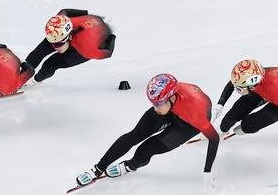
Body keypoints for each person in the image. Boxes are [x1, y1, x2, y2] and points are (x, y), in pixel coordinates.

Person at [75, 73, 220, 188]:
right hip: (172, 110)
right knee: (134, 136)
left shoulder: (195, 112)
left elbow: (214, 138)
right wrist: (161, 105)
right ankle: (98, 169)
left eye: (158, 104)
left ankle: (130, 166)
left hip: (189, 125)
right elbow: (159, 108)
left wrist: (207, 170)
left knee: (147, 148)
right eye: (153, 104)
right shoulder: (164, 99)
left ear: (172, 97)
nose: (155, 108)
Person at [212, 59, 278, 154]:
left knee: (249, 125)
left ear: (252, 86)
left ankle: (243, 129)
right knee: (233, 115)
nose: (237, 90)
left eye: (239, 88)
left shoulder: (276, 93)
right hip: (267, 87)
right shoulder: (250, 77)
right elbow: (231, 84)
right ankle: (222, 130)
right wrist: (220, 105)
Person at [24, 8, 115, 84]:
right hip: (80, 27)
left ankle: (34, 81)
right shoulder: (59, 22)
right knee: (39, 51)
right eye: (52, 42)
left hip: (84, 46)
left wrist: (112, 37)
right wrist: (85, 13)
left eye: (57, 44)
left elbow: (108, 53)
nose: (55, 47)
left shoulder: (88, 48)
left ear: (69, 37)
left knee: (50, 64)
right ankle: (22, 75)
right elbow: (65, 11)